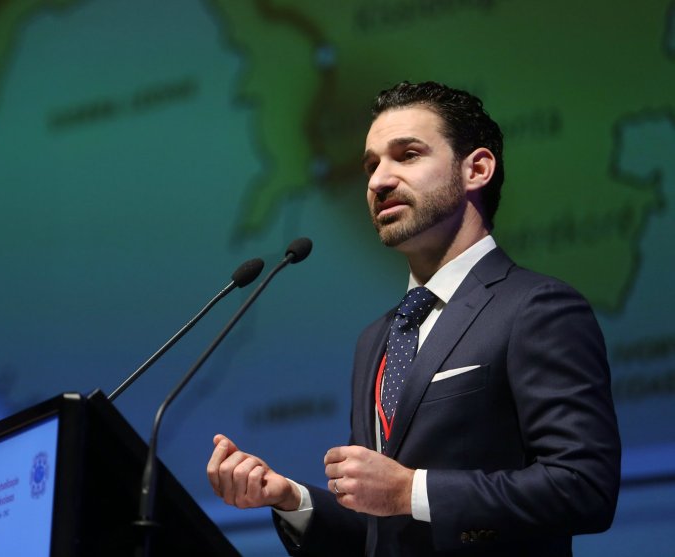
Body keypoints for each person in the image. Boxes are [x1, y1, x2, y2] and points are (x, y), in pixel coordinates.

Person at [206, 81, 621, 556]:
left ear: (477, 169)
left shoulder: (536, 308)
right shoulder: (377, 338)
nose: (378, 181)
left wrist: (411, 491)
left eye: (407, 155)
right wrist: (290, 499)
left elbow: (584, 487)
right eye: (371, 165)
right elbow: (380, 527)